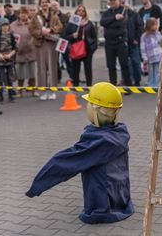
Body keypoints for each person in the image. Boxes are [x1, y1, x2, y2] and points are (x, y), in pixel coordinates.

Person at [26, 82, 134, 224]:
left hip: (104, 207)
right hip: (121, 198)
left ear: (96, 109)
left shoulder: (98, 141)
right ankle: (117, 204)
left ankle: (101, 210)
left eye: (89, 103)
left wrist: (39, 184)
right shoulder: (119, 134)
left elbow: (66, 162)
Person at [28, 0, 63, 101]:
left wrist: (51, 30)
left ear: (49, 4)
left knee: (52, 68)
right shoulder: (36, 17)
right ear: (40, 4)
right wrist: (41, 33)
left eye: (46, 2)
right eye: (42, 2)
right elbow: (31, 29)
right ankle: (42, 91)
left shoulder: (54, 16)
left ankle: (52, 91)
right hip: (40, 44)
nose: (44, 4)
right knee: (41, 68)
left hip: (51, 43)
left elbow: (60, 27)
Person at [100, 0, 132, 88]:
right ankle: (112, 86)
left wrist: (110, 23)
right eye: (111, 1)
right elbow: (103, 22)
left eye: (115, 1)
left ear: (118, 1)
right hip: (109, 43)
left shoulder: (124, 10)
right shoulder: (106, 13)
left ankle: (128, 86)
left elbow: (121, 23)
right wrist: (114, 18)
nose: (113, 3)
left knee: (124, 65)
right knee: (111, 65)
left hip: (120, 41)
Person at [65, 5, 98, 87]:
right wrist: (72, 36)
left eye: (83, 11)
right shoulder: (71, 23)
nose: (81, 12)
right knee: (76, 70)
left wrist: (93, 48)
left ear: (85, 12)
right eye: (79, 11)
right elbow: (65, 36)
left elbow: (94, 37)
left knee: (88, 69)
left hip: (87, 49)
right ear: (76, 12)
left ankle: (89, 87)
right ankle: (76, 87)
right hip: (75, 49)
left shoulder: (89, 23)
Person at [10, 6, 36, 96]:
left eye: (25, 13)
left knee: (32, 73)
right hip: (19, 52)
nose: (23, 15)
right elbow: (10, 38)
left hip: (31, 51)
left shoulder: (32, 23)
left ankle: (33, 91)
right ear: (18, 14)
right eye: (21, 13)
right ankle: (20, 91)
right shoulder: (12, 25)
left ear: (28, 14)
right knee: (20, 74)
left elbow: (37, 35)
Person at [120, 0, 143, 87]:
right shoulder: (119, 14)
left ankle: (137, 81)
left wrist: (137, 39)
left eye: (124, 3)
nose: (123, 5)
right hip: (123, 43)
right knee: (124, 64)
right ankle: (126, 82)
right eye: (122, 3)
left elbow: (140, 26)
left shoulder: (134, 14)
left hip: (133, 43)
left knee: (135, 62)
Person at [0, 18, 17, 103]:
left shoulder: (12, 35)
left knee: (10, 78)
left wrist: (10, 55)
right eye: (3, 25)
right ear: (0, 26)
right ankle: (1, 97)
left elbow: (15, 48)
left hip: (9, 59)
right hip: (0, 60)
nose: (5, 27)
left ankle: (11, 96)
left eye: (6, 25)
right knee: (0, 78)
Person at [51, 1, 72, 82]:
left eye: (56, 5)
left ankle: (72, 76)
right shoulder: (50, 17)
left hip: (63, 40)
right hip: (53, 40)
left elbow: (68, 28)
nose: (54, 7)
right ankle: (58, 78)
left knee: (67, 59)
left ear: (59, 6)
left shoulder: (64, 16)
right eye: (53, 5)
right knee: (55, 61)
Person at [140, 18, 162, 88]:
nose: (156, 26)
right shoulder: (144, 36)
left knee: (156, 71)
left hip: (158, 56)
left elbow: (161, 42)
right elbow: (142, 48)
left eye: (156, 25)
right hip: (149, 57)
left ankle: (156, 85)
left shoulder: (157, 34)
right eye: (155, 25)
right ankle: (150, 84)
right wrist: (144, 57)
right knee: (151, 71)